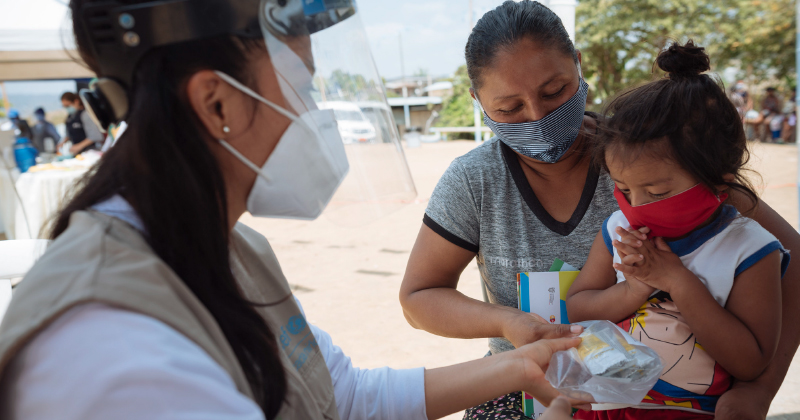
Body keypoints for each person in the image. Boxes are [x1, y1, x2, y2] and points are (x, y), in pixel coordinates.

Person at [0, 1, 582, 419]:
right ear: (216, 101)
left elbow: (344, 398)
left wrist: (518, 367)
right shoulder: (112, 348)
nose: (317, 113)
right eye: (303, 84)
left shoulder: (231, 252)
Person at [399, 1, 800, 419]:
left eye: (554, 91)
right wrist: (508, 323)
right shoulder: (475, 181)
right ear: (477, 100)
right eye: (509, 108)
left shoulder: (648, 158)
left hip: (674, 397)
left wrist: (760, 387)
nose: (538, 116)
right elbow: (418, 298)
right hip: (526, 382)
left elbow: (791, 257)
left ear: (577, 64)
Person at [566, 41, 789, 419]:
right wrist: (634, 288)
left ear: (720, 183)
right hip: (604, 405)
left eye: (657, 192)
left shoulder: (748, 250)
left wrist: (678, 282)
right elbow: (576, 309)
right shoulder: (618, 230)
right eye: (623, 190)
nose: (635, 207)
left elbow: (750, 362)